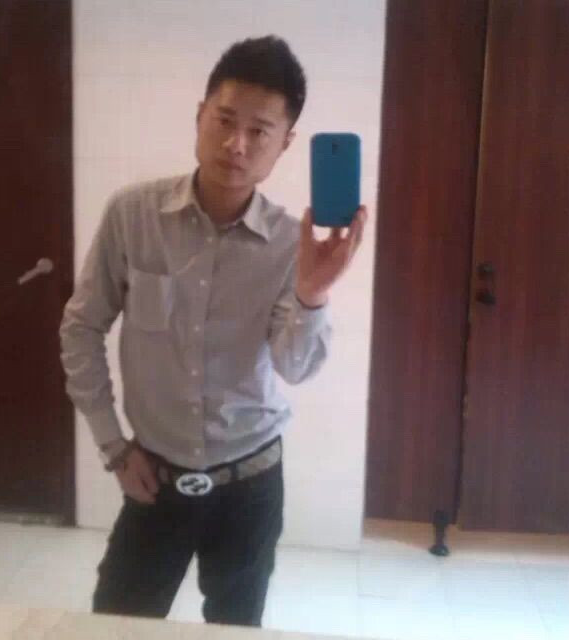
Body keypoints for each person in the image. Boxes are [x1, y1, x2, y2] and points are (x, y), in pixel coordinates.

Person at [59, 34, 367, 628]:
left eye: (259, 131)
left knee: (235, 628)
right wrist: (113, 445)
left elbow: (295, 367)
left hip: (250, 485)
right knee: (116, 623)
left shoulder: (290, 243)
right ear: (200, 114)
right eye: (224, 121)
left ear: (286, 143)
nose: (236, 144)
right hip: (153, 478)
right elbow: (82, 328)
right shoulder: (132, 215)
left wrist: (312, 293)